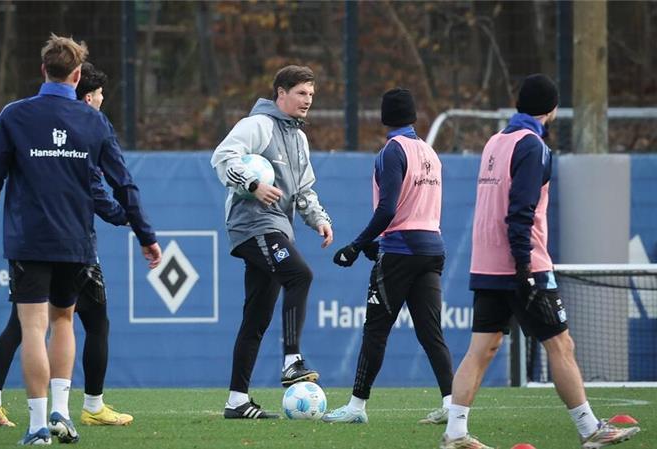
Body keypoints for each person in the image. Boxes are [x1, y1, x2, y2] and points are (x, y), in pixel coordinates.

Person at [0, 35, 161, 445]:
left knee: (33, 326)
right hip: (76, 243)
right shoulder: (94, 120)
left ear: (44, 70)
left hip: (29, 240)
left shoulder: (15, 115)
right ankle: (63, 411)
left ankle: (39, 425)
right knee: (63, 322)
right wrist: (145, 234)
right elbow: (123, 184)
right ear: (77, 76)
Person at [439, 74, 640, 449]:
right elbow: (521, 211)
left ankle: (455, 433)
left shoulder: (495, 141)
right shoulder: (533, 146)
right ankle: (589, 429)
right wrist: (523, 266)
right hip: (522, 263)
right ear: (552, 110)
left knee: (481, 350)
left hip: (486, 263)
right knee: (561, 345)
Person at [323, 88, 453, 425]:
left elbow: (389, 209)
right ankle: (452, 405)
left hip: (400, 251)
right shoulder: (429, 152)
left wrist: (357, 244)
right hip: (432, 248)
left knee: (376, 330)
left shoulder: (391, 152)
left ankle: (355, 408)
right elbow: (415, 208)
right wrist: (374, 241)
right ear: (413, 116)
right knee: (431, 332)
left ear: (384, 117)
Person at [211, 65, 333, 419]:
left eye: (311, 94)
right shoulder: (258, 125)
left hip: (278, 227)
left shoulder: (299, 138)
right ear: (281, 93)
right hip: (253, 224)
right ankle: (293, 360)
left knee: (256, 318)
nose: (307, 100)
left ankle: (236, 401)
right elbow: (222, 158)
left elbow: (304, 190)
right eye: (300, 93)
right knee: (300, 275)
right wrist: (253, 184)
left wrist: (320, 220)